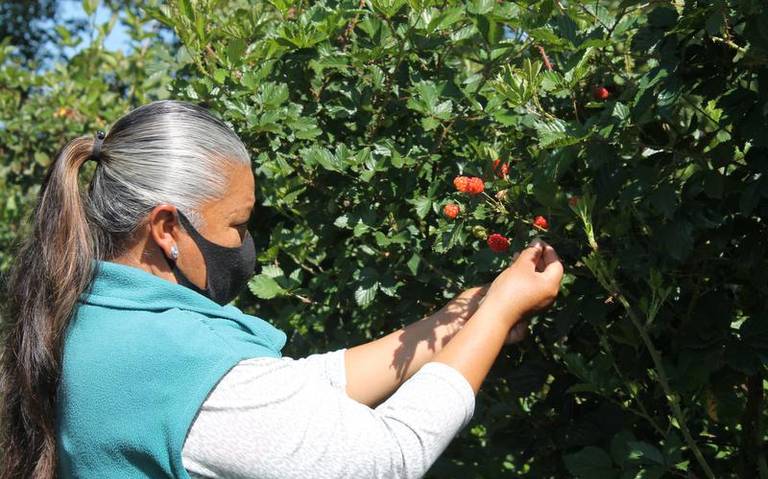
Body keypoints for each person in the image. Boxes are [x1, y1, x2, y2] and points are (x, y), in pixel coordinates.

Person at [0, 100, 563, 479]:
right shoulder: (166, 358)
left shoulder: (101, 316)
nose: (246, 245)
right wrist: (498, 315)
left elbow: (288, 391)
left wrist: (449, 326)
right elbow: (385, 457)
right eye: (237, 226)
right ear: (168, 229)